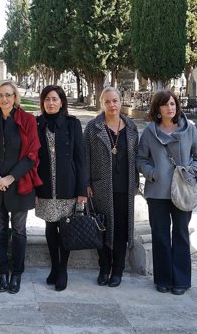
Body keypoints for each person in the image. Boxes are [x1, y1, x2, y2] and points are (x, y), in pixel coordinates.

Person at [136, 90, 197, 295]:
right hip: (157, 193)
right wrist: (152, 173)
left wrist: (193, 174)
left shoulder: (189, 129)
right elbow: (141, 159)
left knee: (181, 234)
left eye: (173, 104)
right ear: (157, 109)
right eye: (165, 104)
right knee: (159, 236)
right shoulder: (149, 132)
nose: (170, 108)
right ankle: (163, 280)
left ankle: (181, 281)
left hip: (183, 191)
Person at [0, 80, 42, 294]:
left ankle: (17, 274)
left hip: (19, 183)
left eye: (8, 95)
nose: (4, 99)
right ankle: (2, 273)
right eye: (0, 95)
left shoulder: (28, 119)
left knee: (20, 231)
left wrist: (10, 178)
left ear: (15, 97)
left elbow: (32, 154)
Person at [83, 87, 139, 288]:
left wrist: (136, 183)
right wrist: (86, 183)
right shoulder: (93, 127)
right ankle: (104, 268)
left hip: (125, 187)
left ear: (121, 101)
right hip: (101, 187)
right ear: (102, 103)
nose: (112, 105)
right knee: (103, 228)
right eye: (107, 101)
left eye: (115, 100)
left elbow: (136, 159)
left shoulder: (131, 128)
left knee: (122, 230)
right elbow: (85, 157)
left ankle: (118, 270)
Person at [34, 85, 88, 292]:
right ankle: (54, 267)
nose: (51, 103)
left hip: (68, 183)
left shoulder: (72, 124)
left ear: (62, 101)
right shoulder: (37, 123)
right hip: (45, 184)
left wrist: (82, 188)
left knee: (65, 228)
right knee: (50, 227)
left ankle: (63, 269)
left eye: (54, 99)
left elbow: (80, 157)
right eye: (47, 99)